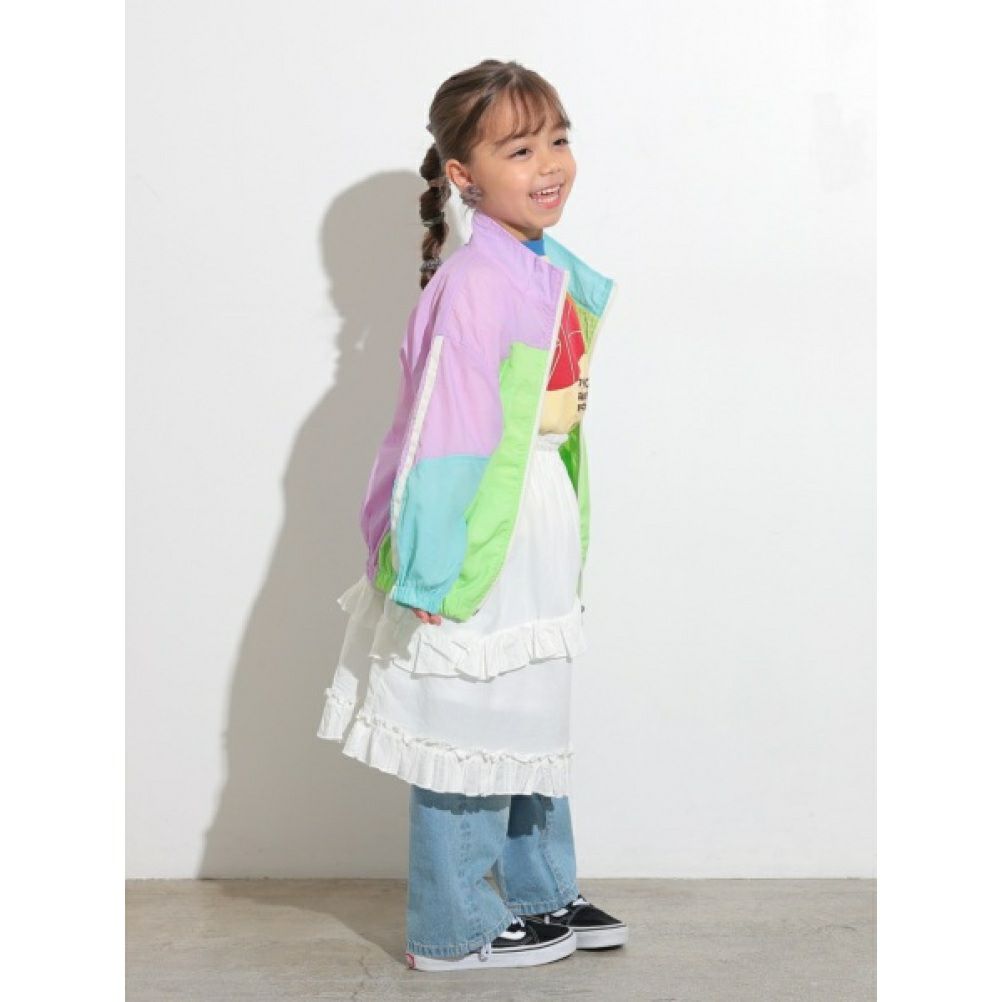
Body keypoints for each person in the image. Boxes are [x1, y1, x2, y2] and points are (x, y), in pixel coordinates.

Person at [317, 58, 626, 972]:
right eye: (519, 149)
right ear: (464, 174)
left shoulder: (540, 269)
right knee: (466, 711)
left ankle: (536, 891)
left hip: (530, 514)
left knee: (525, 705)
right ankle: (456, 927)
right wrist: (425, 563)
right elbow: (443, 435)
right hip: (481, 522)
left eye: (558, 139)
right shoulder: (478, 281)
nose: (550, 163)